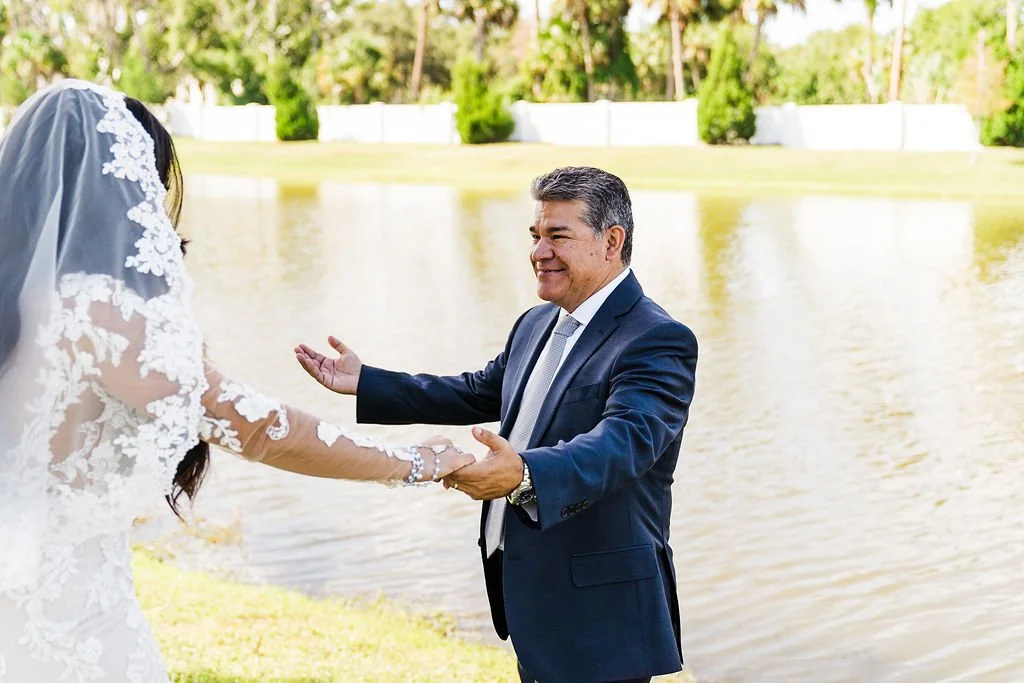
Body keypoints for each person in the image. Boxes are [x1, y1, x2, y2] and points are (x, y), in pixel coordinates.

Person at [0, 79, 475, 682]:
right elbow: (264, 430)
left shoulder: (15, 304)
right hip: (76, 635)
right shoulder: (98, 313)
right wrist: (418, 461)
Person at [296, 166, 699, 683]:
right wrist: (368, 383)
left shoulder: (657, 339)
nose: (538, 251)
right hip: (535, 596)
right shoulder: (536, 323)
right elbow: (475, 391)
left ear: (611, 241)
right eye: (535, 235)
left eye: (558, 236)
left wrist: (523, 474)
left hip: (602, 614)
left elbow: (623, 443)